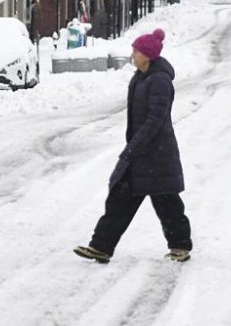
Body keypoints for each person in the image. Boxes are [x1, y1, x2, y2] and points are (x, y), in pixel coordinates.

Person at [74, 28, 192, 264]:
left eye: (136, 51)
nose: (132, 54)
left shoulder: (159, 81)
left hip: (157, 155)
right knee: (120, 199)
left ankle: (180, 246)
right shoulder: (142, 76)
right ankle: (100, 247)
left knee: (168, 203)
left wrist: (134, 147)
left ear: (147, 55)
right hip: (142, 153)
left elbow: (155, 120)